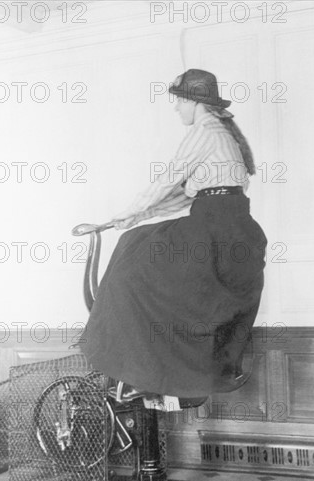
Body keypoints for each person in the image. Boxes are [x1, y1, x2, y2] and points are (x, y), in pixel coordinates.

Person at [79, 69, 267, 400]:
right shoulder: (224, 134)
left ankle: (141, 371)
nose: (176, 108)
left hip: (215, 230)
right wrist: (132, 217)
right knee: (136, 244)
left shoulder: (205, 130)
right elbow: (187, 194)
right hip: (236, 230)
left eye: (179, 101)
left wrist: (123, 217)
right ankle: (147, 372)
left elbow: (166, 180)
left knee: (130, 262)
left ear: (195, 102)